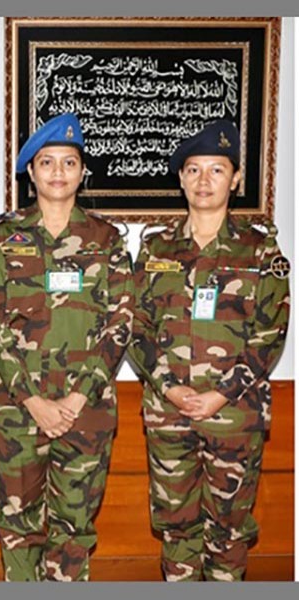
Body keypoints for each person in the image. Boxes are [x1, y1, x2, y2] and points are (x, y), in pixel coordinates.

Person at [0, 113, 134, 581]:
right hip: (16, 410)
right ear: (31, 172)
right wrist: (34, 401)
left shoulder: (107, 241)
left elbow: (121, 321)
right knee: (18, 527)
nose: (58, 172)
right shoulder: (4, 240)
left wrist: (77, 398)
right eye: (47, 162)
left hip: (87, 410)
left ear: (83, 172)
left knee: (74, 529)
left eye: (69, 162)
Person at [128, 120, 290, 581]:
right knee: (177, 531)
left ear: (235, 179)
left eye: (217, 170)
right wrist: (170, 389)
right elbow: (136, 327)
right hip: (169, 415)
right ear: (181, 178)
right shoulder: (156, 249)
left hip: (234, 417)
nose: (204, 180)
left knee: (229, 534)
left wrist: (219, 395)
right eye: (194, 169)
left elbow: (270, 334)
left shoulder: (261, 252)